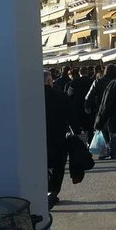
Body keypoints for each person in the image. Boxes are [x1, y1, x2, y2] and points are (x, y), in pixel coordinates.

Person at [44, 70, 76, 209]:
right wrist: (76, 129)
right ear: (50, 81)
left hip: (37, 137)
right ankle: (53, 191)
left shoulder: (30, 96)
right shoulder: (60, 95)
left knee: (41, 165)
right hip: (58, 136)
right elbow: (71, 115)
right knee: (58, 166)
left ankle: (46, 188)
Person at [85, 64, 116, 159]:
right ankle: (115, 152)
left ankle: (105, 150)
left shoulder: (98, 81)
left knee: (103, 129)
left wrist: (87, 106)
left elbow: (89, 96)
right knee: (114, 131)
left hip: (102, 108)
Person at [67, 66, 94, 136]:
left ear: (79, 73)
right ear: (87, 72)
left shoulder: (74, 82)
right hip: (90, 106)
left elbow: (69, 93)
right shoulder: (92, 81)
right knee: (90, 126)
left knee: (81, 125)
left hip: (78, 106)